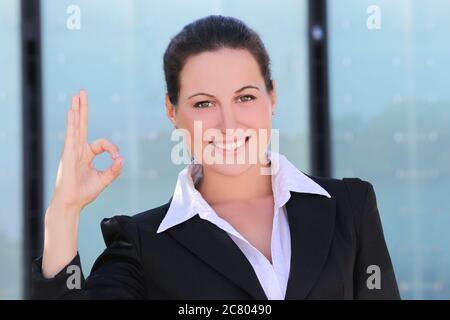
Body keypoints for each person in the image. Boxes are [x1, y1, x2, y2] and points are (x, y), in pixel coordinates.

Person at [31, 15, 400, 300]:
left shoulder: (349, 208)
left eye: (245, 97)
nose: (228, 123)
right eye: (204, 103)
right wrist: (63, 212)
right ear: (171, 111)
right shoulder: (141, 244)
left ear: (272, 98)